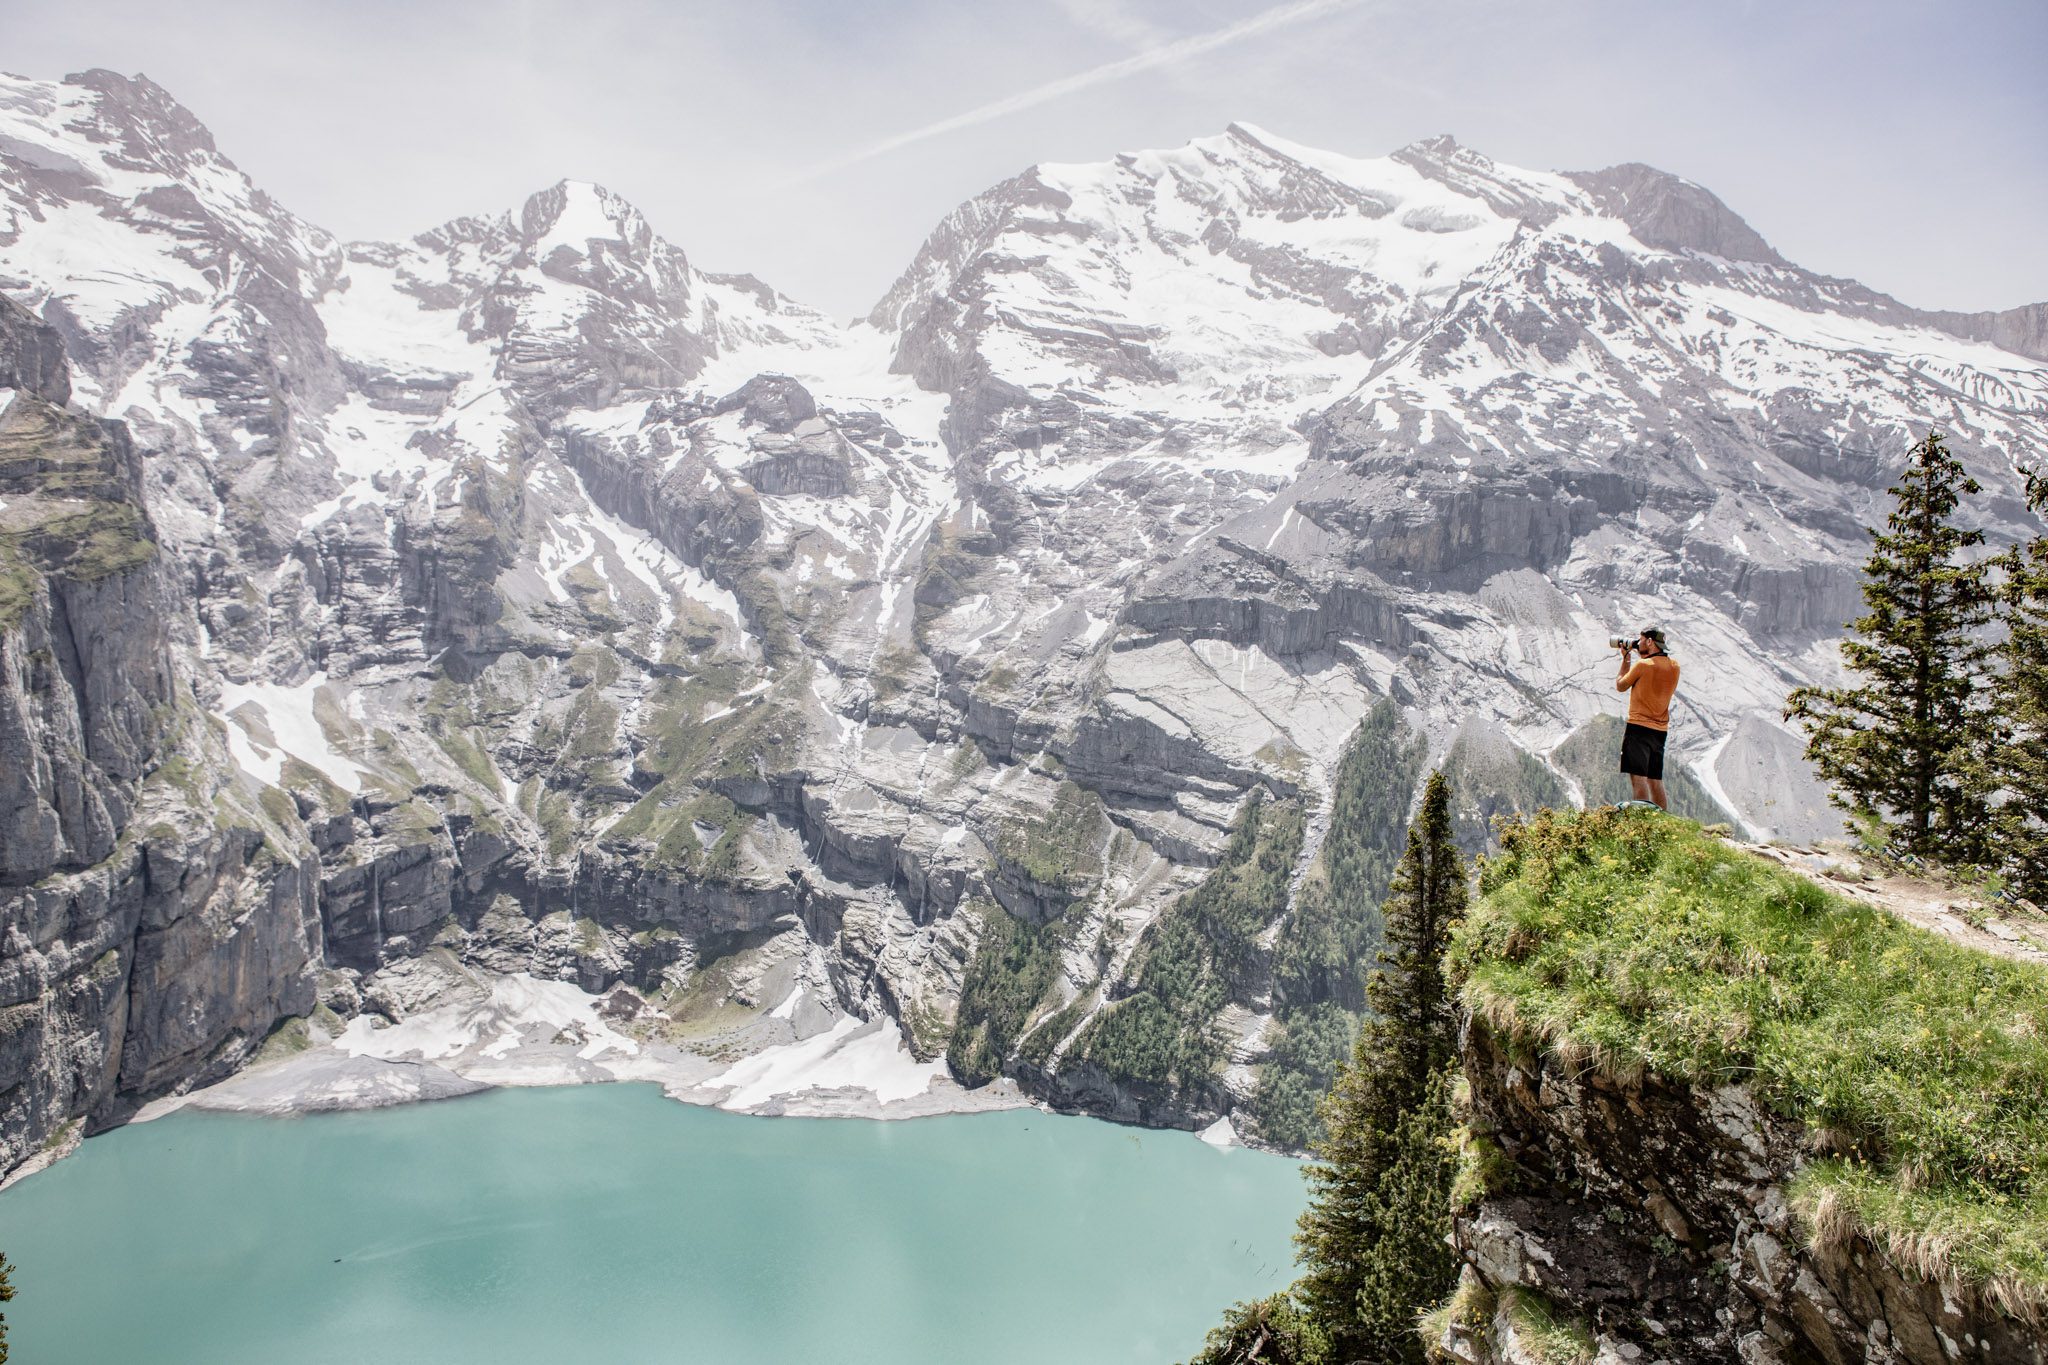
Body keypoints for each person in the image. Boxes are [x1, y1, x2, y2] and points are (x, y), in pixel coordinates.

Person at [1615, 627, 1680, 811]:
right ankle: (1662, 821)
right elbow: (1656, 669)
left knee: (1638, 777)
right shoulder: (1674, 666)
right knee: (1655, 779)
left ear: (1650, 642)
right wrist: (1643, 653)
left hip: (1638, 727)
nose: (1638, 642)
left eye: (1641, 640)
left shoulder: (1642, 665)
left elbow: (1621, 685)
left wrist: (1626, 658)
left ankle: (1642, 822)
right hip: (1660, 731)